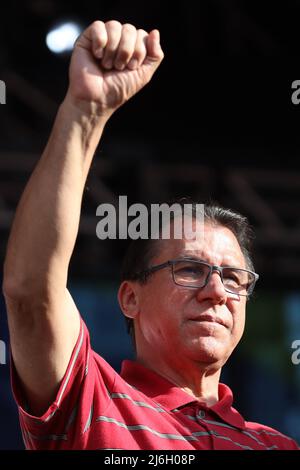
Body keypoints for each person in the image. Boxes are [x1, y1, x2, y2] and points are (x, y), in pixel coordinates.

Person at [3, 20, 298, 451]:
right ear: (129, 298)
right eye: (191, 269)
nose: (217, 291)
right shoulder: (89, 399)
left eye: (234, 278)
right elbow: (30, 293)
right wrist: (84, 113)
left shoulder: (277, 446)